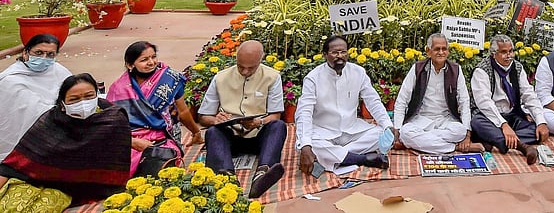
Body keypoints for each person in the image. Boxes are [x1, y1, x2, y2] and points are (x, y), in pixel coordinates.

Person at [0, 73, 131, 210]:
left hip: (84, 190)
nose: (83, 103)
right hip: (40, 180)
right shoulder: (52, 120)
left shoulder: (113, 120)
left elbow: (115, 164)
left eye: (89, 96)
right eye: (74, 99)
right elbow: (17, 163)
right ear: (62, 104)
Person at [197, 40, 287, 199]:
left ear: (261, 60)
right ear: (236, 59)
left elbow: (275, 115)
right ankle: (227, 177)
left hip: (259, 136)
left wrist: (258, 122)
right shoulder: (220, 78)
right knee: (212, 132)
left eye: (251, 68)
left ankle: (262, 173)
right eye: (241, 67)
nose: (245, 71)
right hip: (231, 137)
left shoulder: (272, 77)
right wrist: (215, 120)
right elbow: (203, 117)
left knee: (278, 126)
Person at [297, 36, 394, 174]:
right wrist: (306, 145)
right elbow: (304, 112)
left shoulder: (358, 72)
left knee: (382, 134)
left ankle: (338, 157)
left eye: (343, 52)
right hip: (323, 131)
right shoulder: (313, 78)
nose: (340, 56)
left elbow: (372, 100)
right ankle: (364, 159)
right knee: (308, 145)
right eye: (335, 53)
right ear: (325, 55)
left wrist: (387, 125)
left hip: (352, 130)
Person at [106, 41, 204, 177]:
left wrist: (196, 132)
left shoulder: (169, 79)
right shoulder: (119, 89)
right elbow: (111, 122)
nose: (151, 62)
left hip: (163, 134)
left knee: (160, 166)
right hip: (130, 137)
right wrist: (132, 141)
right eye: (144, 60)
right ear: (130, 65)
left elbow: (183, 112)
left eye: (153, 57)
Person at [393, 33, 480, 153]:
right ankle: (453, 147)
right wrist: (397, 130)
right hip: (420, 120)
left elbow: (464, 102)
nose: (441, 52)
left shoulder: (455, 70)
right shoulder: (418, 69)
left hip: (445, 120)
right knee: (406, 132)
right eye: (437, 49)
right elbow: (402, 100)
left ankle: (416, 143)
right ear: (429, 51)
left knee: (460, 131)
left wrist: (467, 135)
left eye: (444, 49)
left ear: (448, 51)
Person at [470, 35, 549, 164]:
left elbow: (529, 95)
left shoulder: (517, 68)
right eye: (503, 52)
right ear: (493, 54)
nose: (509, 55)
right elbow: (484, 103)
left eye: (511, 51)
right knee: (476, 123)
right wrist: (503, 125)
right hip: (488, 117)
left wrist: (541, 122)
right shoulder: (482, 70)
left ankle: (494, 141)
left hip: (511, 116)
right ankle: (522, 147)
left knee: (535, 129)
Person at [0, 34, 72, 161]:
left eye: (50, 55)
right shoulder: (10, 80)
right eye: (38, 52)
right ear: (25, 53)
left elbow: (75, 90)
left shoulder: (57, 70)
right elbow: (33, 110)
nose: (44, 58)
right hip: (26, 137)